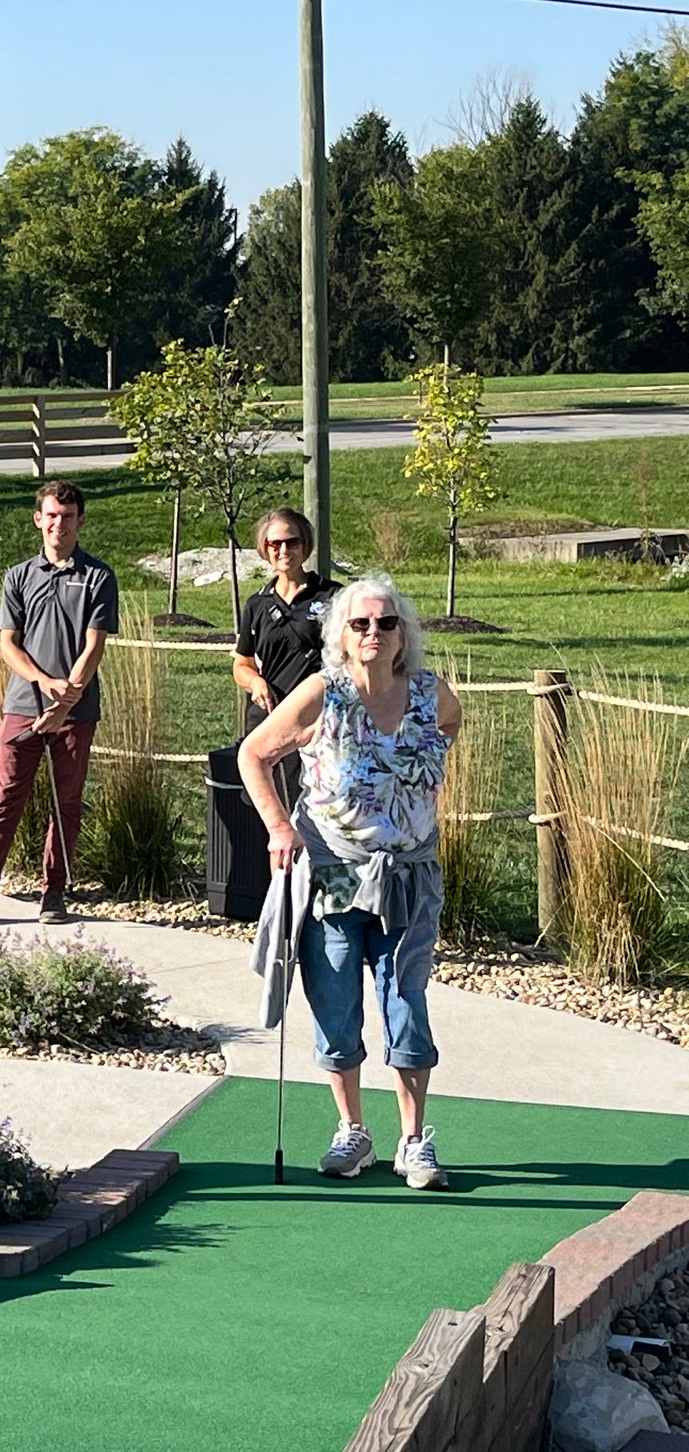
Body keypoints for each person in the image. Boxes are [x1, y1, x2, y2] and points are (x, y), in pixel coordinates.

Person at [239, 574, 462, 1190]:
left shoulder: (430, 693)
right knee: (335, 1002)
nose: (372, 633)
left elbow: (451, 725)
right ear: (340, 633)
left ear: (402, 633)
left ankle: (414, 1140)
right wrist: (279, 826)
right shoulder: (322, 693)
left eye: (385, 623)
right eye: (359, 623)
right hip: (335, 872)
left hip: (409, 876)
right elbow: (253, 753)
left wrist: (409, 795)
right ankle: (353, 1131)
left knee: (406, 1001)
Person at [0, 480, 119, 923]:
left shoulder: (98, 576)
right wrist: (43, 683)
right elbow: (8, 644)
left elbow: (94, 647)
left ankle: (54, 892)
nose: (58, 524)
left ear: (81, 520)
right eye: (51, 515)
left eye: (67, 515)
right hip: (22, 705)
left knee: (66, 803)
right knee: (7, 797)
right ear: (39, 519)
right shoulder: (18, 576)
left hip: (76, 713)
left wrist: (62, 705)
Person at [233, 506, 340, 804]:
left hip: (318, 719)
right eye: (274, 544)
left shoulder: (333, 596)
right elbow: (242, 663)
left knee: (314, 801)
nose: (283, 550)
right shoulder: (257, 604)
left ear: (305, 544)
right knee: (267, 805)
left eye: (292, 542)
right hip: (269, 717)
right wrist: (255, 684)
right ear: (264, 549)